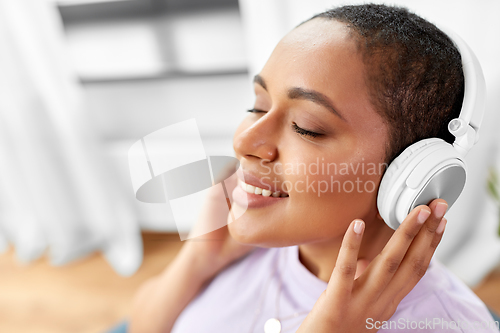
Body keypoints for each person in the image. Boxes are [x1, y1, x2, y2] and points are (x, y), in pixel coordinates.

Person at [120, 4, 499, 333]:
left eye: (307, 127)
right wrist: (198, 260)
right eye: (258, 106)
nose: (244, 142)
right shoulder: (250, 246)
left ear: (411, 174)